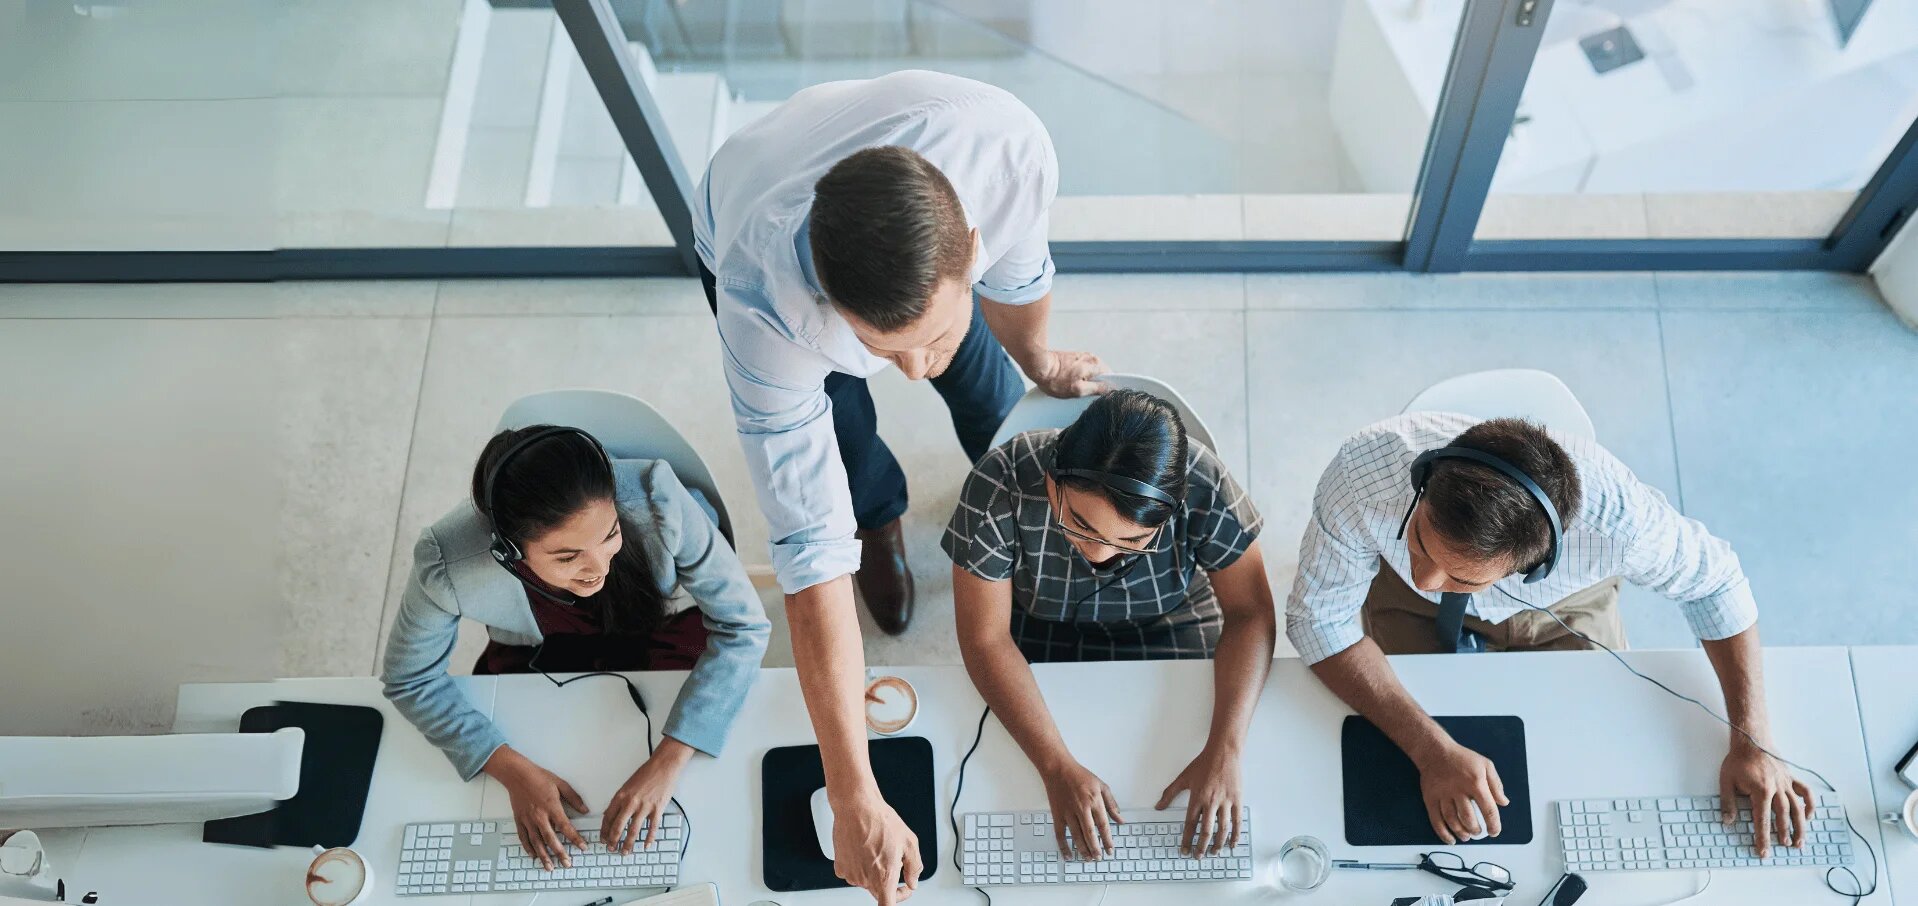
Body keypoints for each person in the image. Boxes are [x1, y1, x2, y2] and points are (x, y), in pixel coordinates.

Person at [693, 69, 1106, 901]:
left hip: (912, 191)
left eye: (932, 334)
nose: (913, 373)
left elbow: (1021, 281)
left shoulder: (1009, 151)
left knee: (990, 391)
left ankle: (1011, 506)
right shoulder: (761, 302)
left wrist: (1034, 360)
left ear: (971, 249)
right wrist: (852, 790)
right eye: (888, 350)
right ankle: (881, 520)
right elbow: (810, 557)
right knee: (842, 435)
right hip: (742, 198)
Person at [1287, 413, 1810, 856]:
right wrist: (1431, 750)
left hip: (1565, 606)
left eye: (1462, 575)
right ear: (1423, 485)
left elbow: (1717, 583)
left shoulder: (1621, 523)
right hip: (1398, 600)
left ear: (1534, 564)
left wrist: (1754, 741)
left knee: (1589, 756)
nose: (1428, 579)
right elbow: (1318, 622)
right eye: (1422, 540)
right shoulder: (1364, 474)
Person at [382, 426, 769, 871]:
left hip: (658, 630)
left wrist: (669, 758)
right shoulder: (446, 561)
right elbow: (410, 678)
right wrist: (509, 768)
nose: (598, 569)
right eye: (567, 558)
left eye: (610, 535)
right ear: (509, 551)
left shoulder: (656, 496)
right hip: (541, 650)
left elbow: (744, 626)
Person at [944, 390, 1277, 860]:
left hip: (1171, 620)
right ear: (1053, 480)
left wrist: (1227, 748)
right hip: (1043, 624)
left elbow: (1251, 613)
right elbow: (984, 637)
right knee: (1011, 778)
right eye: (1080, 524)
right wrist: (1056, 766)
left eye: (1133, 540)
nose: (1098, 554)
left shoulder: (1204, 482)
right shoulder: (998, 484)